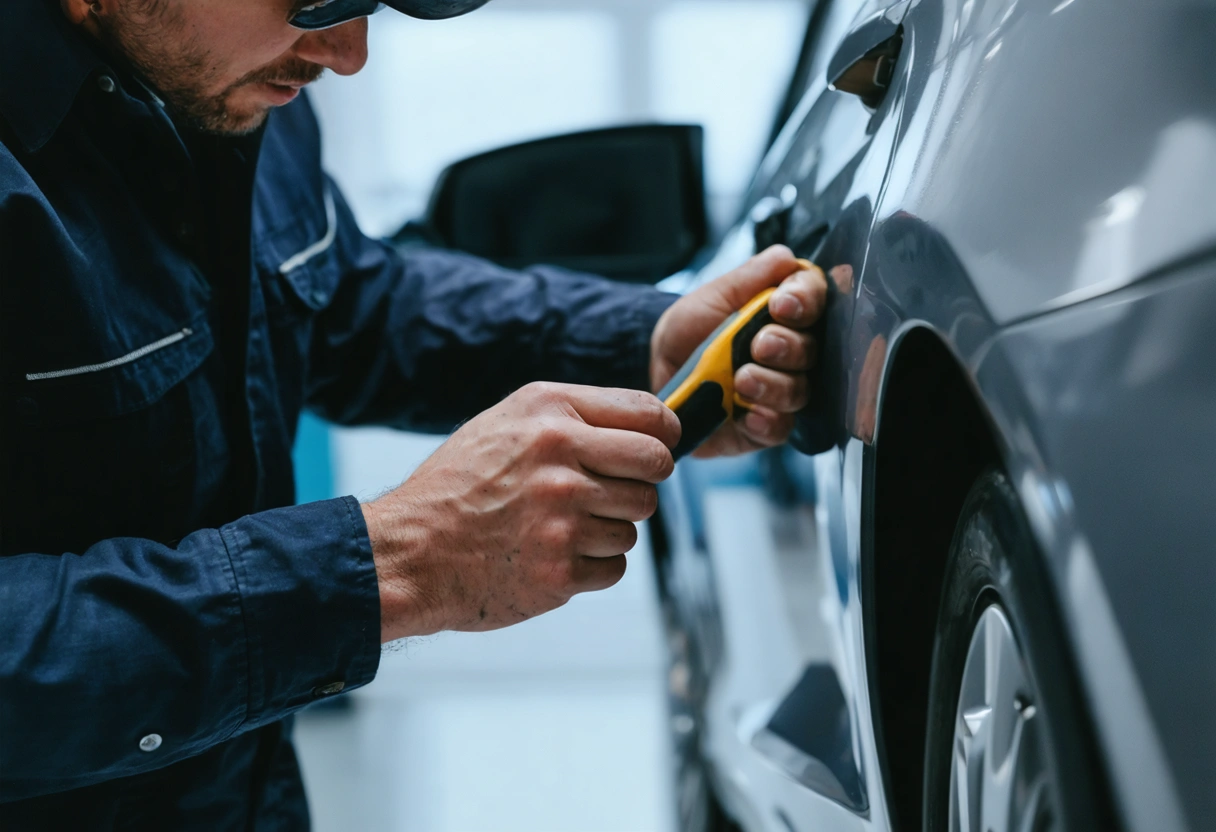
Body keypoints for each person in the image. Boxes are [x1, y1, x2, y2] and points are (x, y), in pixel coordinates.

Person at [0, 0, 828, 826]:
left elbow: (349, 303)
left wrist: (636, 347)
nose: (347, 52)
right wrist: (390, 563)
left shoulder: (227, 80)